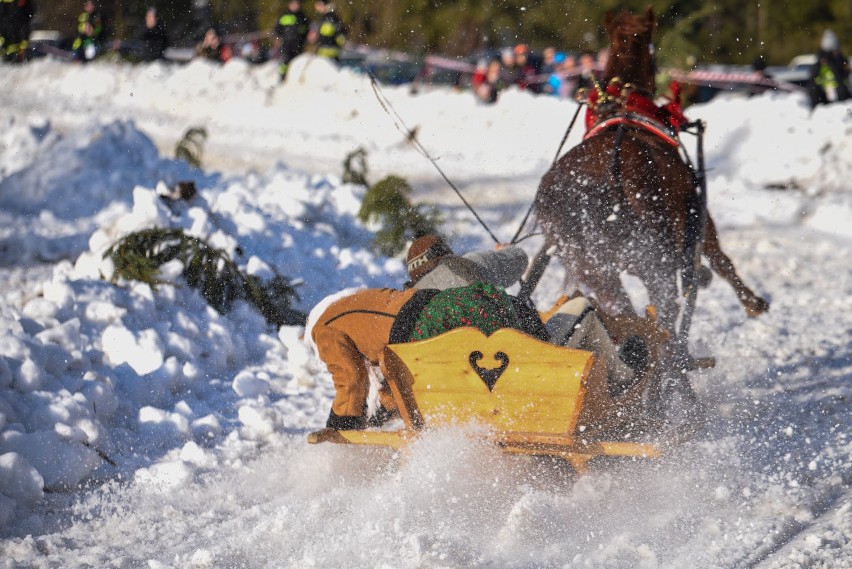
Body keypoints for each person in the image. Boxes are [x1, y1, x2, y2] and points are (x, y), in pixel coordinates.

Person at [808, 30, 851, 108]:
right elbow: (812, 77)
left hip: (841, 93)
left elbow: (844, 75)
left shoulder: (841, 60)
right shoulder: (820, 60)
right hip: (824, 94)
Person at [274, 0, 310, 80]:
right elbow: (277, 29)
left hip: (298, 44)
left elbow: (307, 30)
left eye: (297, 3)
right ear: (289, 4)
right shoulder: (283, 15)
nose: (296, 5)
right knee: (285, 61)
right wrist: (277, 38)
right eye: (294, 3)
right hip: (286, 43)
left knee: (298, 62)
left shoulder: (302, 16)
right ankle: (282, 77)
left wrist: (305, 37)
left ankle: (296, 78)